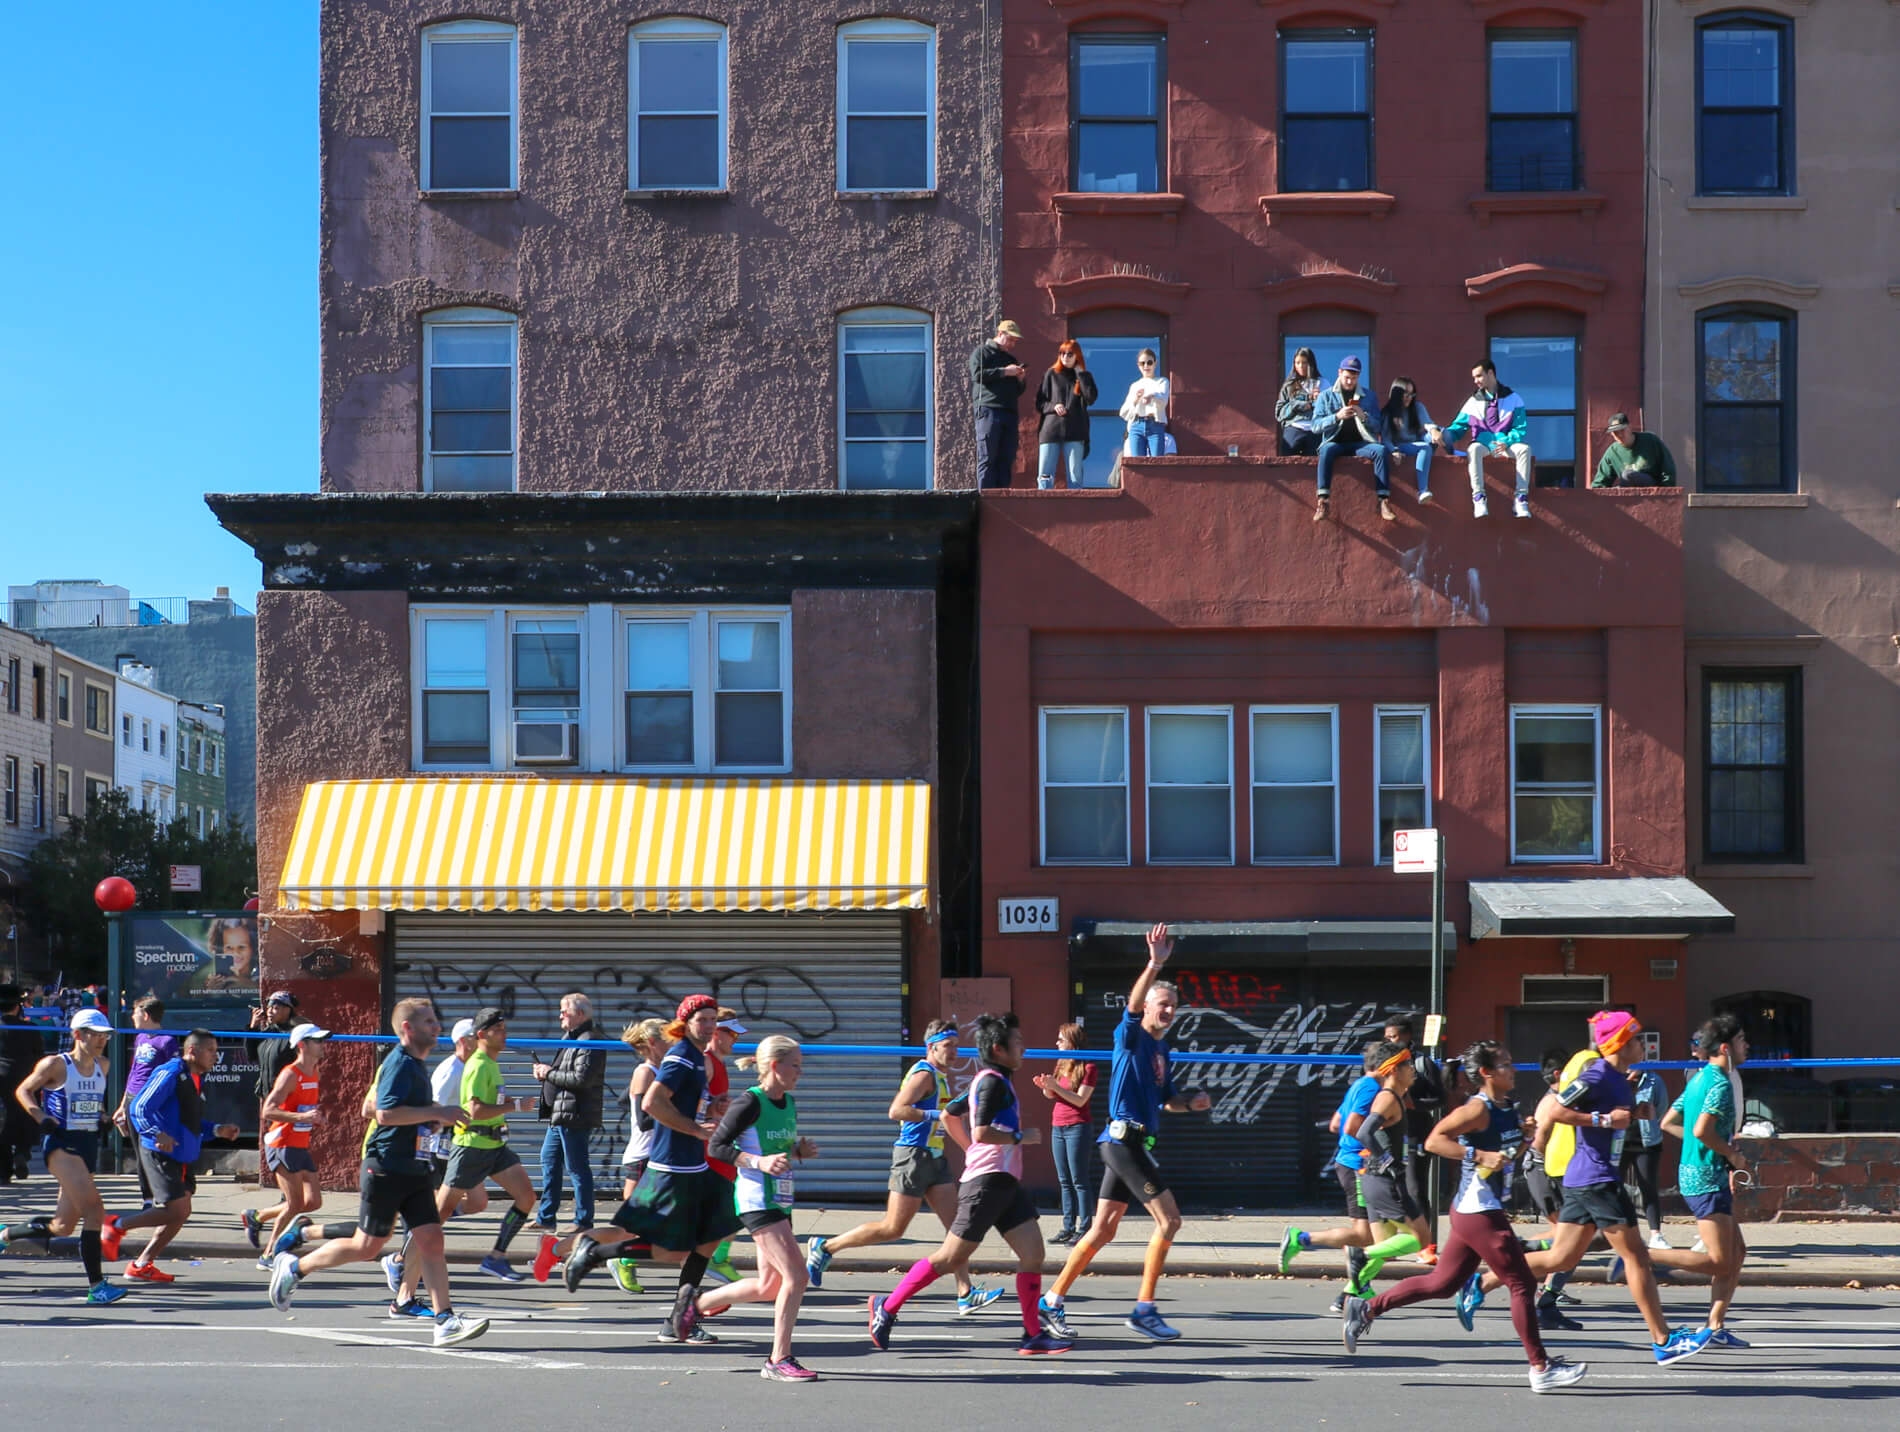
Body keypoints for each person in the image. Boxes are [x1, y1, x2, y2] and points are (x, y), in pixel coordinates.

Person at [1461, 1011, 1710, 1367]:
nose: (1644, 1045)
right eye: (1637, 1039)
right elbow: (1557, 1111)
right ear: (1621, 1043)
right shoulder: (1596, 1074)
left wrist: (1635, 1110)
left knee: (1561, 1259)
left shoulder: (1622, 1077)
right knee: (1636, 1257)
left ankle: (1482, 1282)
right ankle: (1664, 1340)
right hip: (1597, 1179)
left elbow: (1610, 1112)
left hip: (1586, 1179)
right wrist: (1605, 1119)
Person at [1341, 1042, 1587, 1394]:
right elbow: (1433, 1141)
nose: (1513, 1069)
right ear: (1486, 1073)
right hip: (1479, 1210)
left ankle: (1366, 1308)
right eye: (1505, 1064)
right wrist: (1479, 1154)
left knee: (1442, 1284)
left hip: (1477, 1209)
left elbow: (1505, 1154)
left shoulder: (1506, 1108)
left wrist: (1525, 1137)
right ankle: (1540, 1368)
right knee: (1522, 1284)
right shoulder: (1477, 1109)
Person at [267, 997, 487, 1348]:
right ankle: (295, 1268)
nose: (437, 1027)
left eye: (435, 1020)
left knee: (431, 1239)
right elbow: (382, 1113)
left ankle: (445, 1320)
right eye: (429, 1021)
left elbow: (405, 1110)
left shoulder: (416, 1066)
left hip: (413, 1166)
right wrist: (440, 1112)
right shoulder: (399, 1063)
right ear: (407, 1029)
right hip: (384, 1166)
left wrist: (434, 1114)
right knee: (367, 1246)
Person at [1039, 924, 1212, 1342]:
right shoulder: (1130, 1037)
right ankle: (1144, 1309)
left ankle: (1051, 1301)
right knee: (1170, 1221)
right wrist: (1154, 964)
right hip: (1122, 1143)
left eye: (1173, 1005)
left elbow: (1166, 1099)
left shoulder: (1163, 1050)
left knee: (1102, 1230)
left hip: (1130, 1144)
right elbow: (1133, 1007)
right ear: (1148, 1006)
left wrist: (1190, 1103)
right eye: (1162, 1004)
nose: (1168, 1011)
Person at [868, 1012, 1069, 1357]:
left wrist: (970, 1150)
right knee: (949, 1257)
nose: (1023, 1047)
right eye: (1017, 1042)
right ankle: (887, 1306)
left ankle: (1032, 1336)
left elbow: (949, 1115)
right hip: (987, 1184)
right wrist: (1021, 1137)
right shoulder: (990, 1082)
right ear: (998, 1049)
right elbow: (980, 1131)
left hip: (1006, 1182)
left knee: (1033, 1254)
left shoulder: (992, 1079)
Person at [559, 994, 742, 1345]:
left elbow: (685, 1105)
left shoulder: (694, 1058)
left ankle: (678, 1321)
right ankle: (596, 1252)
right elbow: (652, 1103)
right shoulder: (681, 1058)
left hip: (691, 1164)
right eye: (701, 1020)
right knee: (685, 1242)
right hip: (674, 1165)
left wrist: (712, 1109)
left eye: (711, 1020)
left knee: (705, 1239)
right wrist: (693, 1128)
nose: (708, 1026)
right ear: (684, 1023)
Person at [807, 1019, 1001, 1315]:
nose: (954, 1052)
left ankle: (965, 1292)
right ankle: (825, 1247)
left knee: (957, 1228)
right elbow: (896, 1110)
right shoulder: (924, 1074)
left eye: (956, 1046)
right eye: (948, 1046)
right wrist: (938, 1114)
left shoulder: (940, 1076)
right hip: (912, 1157)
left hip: (934, 1158)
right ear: (931, 1047)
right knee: (893, 1228)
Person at [700, 1034, 821, 1382]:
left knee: (770, 1285)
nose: (799, 1072)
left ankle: (692, 1308)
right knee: (797, 1277)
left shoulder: (788, 1102)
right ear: (774, 1066)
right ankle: (778, 1359)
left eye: (800, 1065)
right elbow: (718, 1147)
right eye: (794, 1065)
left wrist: (798, 1152)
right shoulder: (748, 1102)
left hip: (780, 1198)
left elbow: (777, 1148)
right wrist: (758, 1162)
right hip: (755, 1200)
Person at [1634, 1014, 1751, 1346]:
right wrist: (1730, 1154)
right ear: (1726, 1048)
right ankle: (1640, 1257)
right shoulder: (1719, 1082)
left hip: (1701, 1173)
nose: (1748, 1045)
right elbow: (1700, 1130)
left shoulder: (1699, 1079)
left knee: (1737, 1252)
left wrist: (1701, 1149)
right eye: (1742, 1039)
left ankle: (1715, 1327)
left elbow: (1669, 1121)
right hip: (1706, 1178)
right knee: (1718, 1259)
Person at [0, 1009, 126, 1302]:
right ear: (78, 1034)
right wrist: (41, 1116)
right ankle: (97, 1287)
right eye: (95, 1034)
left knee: (62, 1226)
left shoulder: (102, 1065)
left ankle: (5, 1235)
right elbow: (23, 1090)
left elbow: (92, 1104)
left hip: (87, 1146)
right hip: (60, 1145)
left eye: (105, 1035)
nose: (101, 1041)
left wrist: (105, 1117)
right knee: (95, 1211)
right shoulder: (56, 1064)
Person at [408, 1007, 540, 1287]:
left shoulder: (491, 1063)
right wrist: (514, 1106)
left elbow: (488, 1103)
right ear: (481, 1035)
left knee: (526, 1196)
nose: (504, 1034)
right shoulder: (479, 1064)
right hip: (470, 1148)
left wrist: (506, 1105)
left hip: (494, 1146)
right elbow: (475, 1110)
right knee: (437, 1215)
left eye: (505, 1028)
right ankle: (400, 1263)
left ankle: (496, 1256)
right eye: (498, 1030)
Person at [117, 1028, 242, 1281]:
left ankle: (141, 1264)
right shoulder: (170, 1072)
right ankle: (115, 1226)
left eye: (216, 1052)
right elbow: (139, 1108)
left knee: (181, 1212)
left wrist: (218, 1130)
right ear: (192, 1051)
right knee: (175, 1211)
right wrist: (156, 1133)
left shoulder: (196, 1078)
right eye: (210, 1051)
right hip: (159, 1152)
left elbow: (188, 1121)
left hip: (181, 1154)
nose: (215, 1057)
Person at [1279, 1043, 1383, 1304]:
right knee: (1365, 1235)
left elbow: (1335, 1123)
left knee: (1371, 1234)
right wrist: (1375, 1149)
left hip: (1350, 1164)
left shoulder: (1359, 1085)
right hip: (1359, 1166)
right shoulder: (1372, 1088)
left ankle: (1357, 1288)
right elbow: (1348, 1127)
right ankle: (1300, 1239)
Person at [255, 1022, 330, 1269]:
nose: (322, 1045)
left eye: (322, 1040)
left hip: (300, 1143)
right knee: (295, 1204)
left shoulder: (315, 1072)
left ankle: (258, 1216)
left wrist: (315, 1117)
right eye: (317, 1041)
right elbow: (268, 1110)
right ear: (302, 1045)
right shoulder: (290, 1074)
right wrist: (302, 1118)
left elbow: (305, 1108)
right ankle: (268, 1255)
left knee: (314, 1201)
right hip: (282, 1143)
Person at [534, 991, 604, 1234]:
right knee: (549, 1161)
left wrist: (547, 1073)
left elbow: (581, 1079)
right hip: (560, 1114)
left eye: (565, 1011)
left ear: (580, 1014)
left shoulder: (589, 1040)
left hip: (575, 1115)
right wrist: (547, 1072)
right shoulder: (571, 1038)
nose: (560, 1015)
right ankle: (546, 1216)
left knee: (577, 1167)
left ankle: (584, 1222)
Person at [240, 989, 302, 1249]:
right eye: (270, 1005)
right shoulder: (268, 1033)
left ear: (289, 1009)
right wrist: (253, 1028)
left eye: (278, 1005)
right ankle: (284, 1204)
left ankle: (284, 1204)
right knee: (280, 1154)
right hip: (268, 1104)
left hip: (287, 1106)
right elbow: (252, 1054)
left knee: (288, 1154)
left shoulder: (294, 1033)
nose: (272, 1009)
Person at [1382, 1013, 1446, 1261]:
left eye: (1394, 1036)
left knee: (1415, 1188)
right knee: (1387, 1188)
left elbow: (1440, 1098)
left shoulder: (1421, 1063)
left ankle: (1425, 1246)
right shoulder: (1383, 1061)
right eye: (1387, 1037)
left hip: (1416, 1134)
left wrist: (1413, 1104)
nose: (1390, 1041)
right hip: (1388, 1135)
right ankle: (1389, 1243)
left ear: (1407, 1037)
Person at [1442, 358, 1534, 518]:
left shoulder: (1514, 399)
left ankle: (1520, 499)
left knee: (1524, 450)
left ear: (1490, 373)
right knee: (1473, 448)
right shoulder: (1472, 402)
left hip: (1505, 445)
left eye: (1478, 376)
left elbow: (1520, 429)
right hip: (1484, 446)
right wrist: (1440, 433)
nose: (1475, 381)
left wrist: (1506, 442)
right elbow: (1457, 429)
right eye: (1474, 378)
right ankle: (1479, 497)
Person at [112, 996, 180, 1209]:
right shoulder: (140, 1037)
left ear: (146, 1015)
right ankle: (147, 1198)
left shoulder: (167, 1041)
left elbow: (172, 1075)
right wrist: (123, 1104)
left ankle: (163, 1192)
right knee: (137, 1149)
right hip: (133, 1098)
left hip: (151, 1103)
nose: (132, 1016)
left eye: (135, 1012)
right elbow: (134, 1072)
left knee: (151, 1148)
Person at [1033, 1022, 1097, 1245]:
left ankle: (1085, 1227)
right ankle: (1068, 1226)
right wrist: (1045, 1086)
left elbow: (1080, 1099)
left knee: (1079, 1179)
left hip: (1078, 1126)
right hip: (1058, 1125)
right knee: (1064, 1180)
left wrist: (1055, 1088)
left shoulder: (1088, 1067)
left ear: (1073, 1041)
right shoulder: (1062, 1062)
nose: (1057, 1043)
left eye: (1061, 1039)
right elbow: (1052, 1096)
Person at [1310, 355, 1391, 523]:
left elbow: (1379, 427)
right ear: (1339, 373)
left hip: (1361, 443)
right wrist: (1337, 416)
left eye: (1353, 378)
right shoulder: (1326, 396)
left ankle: (1383, 501)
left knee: (1380, 450)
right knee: (1326, 450)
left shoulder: (1368, 396)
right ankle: (1323, 501)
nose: (1349, 381)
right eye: (1347, 377)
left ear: (1358, 377)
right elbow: (1315, 426)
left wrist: (1364, 417)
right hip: (1335, 441)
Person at [971, 319, 1029, 489]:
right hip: (988, 409)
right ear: (1000, 334)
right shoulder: (982, 352)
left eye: (1015, 341)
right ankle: (986, 496)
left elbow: (1017, 391)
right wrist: (1005, 372)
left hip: (1009, 411)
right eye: (1010, 339)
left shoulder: (1010, 358)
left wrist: (1020, 379)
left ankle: (1002, 496)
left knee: (1007, 456)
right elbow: (977, 375)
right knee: (988, 455)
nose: (1012, 343)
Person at [1035, 340, 1099, 489]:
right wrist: (1053, 406)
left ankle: (1076, 511)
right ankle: (1043, 510)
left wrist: (1080, 374)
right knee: (1045, 475)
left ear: (1077, 355)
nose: (1065, 357)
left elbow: (1091, 398)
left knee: (1075, 477)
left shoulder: (1084, 376)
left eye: (1070, 354)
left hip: (1075, 431)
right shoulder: (1051, 374)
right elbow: (1040, 403)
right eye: (1062, 353)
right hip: (1051, 430)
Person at [0, 983, 45, 1184]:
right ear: (18, 1006)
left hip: (1, 1078)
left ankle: (4, 1169)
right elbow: (40, 1056)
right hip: (25, 1078)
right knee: (26, 1117)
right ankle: (23, 1151)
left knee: (3, 1122)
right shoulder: (31, 1029)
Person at [1623, 1059, 1669, 1249]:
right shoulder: (1616, 1080)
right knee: (1614, 1186)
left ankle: (1655, 1234)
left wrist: (1650, 1119)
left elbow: (1661, 1108)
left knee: (1648, 1187)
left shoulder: (1653, 1080)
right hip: (1620, 1141)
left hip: (1647, 1141)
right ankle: (1625, 1232)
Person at [1382, 378, 1442, 505]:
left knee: (1438, 433)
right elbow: (1385, 438)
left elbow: (1427, 423)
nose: (1409, 397)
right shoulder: (1388, 412)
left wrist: (1434, 432)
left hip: (1416, 441)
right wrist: (1394, 450)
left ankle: (1452, 450)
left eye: (1412, 394)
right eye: (1406, 394)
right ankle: (1422, 490)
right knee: (1425, 447)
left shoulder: (1417, 407)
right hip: (1401, 445)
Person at [1592, 413, 1677, 488]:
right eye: (1616, 433)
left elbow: (1668, 467)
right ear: (1612, 435)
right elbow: (1600, 483)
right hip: (1628, 494)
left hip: (1652, 488)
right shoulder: (1612, 452)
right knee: (1625, 479)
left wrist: (1666, 491)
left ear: (1629, 427)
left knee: (1628, 475)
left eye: (1622, 430)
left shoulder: (1650, 440)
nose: (1620, 435)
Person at [1119, 349, 1170, 458]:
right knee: (1138, 463)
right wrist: (1136, 399)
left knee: (1157, 462)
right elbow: (1124, 412)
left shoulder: (1162, 381)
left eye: (1149, 362)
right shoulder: (1135, 385)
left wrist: (1152, 396)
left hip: (1155, 424)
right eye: (1142, 363)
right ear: (1138, 365)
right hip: (1137, 425)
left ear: (1155, 363)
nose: (1146, 366)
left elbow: (1163, 399)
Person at [1274, 347, 1324, 455]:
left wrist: (1319, 400)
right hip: (1294, 428)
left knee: (1315, 465)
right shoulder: (1289, 385)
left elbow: (1331, 411)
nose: (1301, 366)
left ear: (1311, 363)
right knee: (1288, 463)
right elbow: (1279, 413)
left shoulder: (1323, 383)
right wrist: (1299, 405)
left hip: (1315, 430)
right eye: (1297, 363)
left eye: (1304, 363)